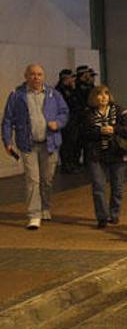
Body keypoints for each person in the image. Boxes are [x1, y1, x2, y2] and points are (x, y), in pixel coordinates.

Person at [2, 64, 69, 230]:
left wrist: (58, 123)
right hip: (27, 144)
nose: (36, 77)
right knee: (33, 180)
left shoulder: (54, 94)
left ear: (43, 76)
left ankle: (45, 206)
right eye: (32, 74)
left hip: (50, 143)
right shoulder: (17, 96)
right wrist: (7, 141)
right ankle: (34, 215)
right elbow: (8, 120)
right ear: (26, 76)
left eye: (39, 74)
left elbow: (64, 112)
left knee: (47, 179)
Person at [82, 86, 127, 229]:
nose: (103, 97)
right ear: (94, 97)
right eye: (99, 94)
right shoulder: (88, 114)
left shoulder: (119, 110)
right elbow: (84, 133)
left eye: (106, 94)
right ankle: (102, 217)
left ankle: (114, 214)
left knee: (117, 186)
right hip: (96, 154)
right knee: (98, 186)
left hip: (117, 153)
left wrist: (114, 129)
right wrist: (99, 131)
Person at [55, 69, 82, 174]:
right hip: (66, 121)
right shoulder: (59, 91)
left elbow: (77, 102)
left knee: (73, 143)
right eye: (72, 77)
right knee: (67, 144)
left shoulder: (71, 89)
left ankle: (73, 163)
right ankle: (67, 165)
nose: (73, 79)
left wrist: (74, 89)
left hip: (74, 120)